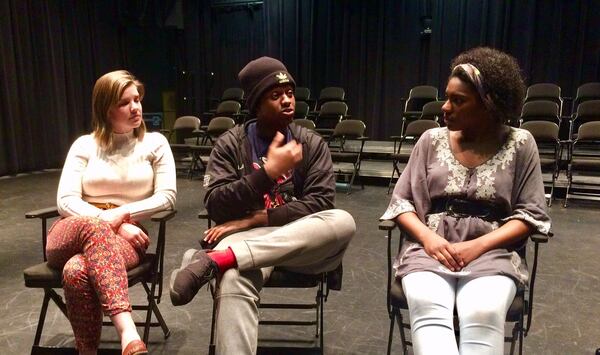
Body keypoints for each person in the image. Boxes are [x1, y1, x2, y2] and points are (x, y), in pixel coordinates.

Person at [170, 56, 356, 354]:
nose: (287, 101)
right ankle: (226, 262)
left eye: (290, 93)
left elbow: (321, 204)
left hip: (300, 244)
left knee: (343, 221)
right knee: (234, 278)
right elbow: (216, 204)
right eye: (275, 95)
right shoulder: (231, 144)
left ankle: (215, 260)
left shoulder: (311, 144)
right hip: (252, 247)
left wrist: (255, 219)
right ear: (256, 103)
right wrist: (266, 175)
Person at [381, 47, 551, 355]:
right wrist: (430, 240)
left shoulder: (521, 144)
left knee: (482, 312)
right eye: (447, 97)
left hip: (494, 251)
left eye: (458, 101)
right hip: (430, 249)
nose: (445, 107)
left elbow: (529, 215)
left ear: (489, 103)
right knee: (428, 309)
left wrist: (477, 246)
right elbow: (402, 204)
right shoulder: (430, 140)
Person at [46, 70, 176, 355]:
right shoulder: (84, 145)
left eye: (137, 99)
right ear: (105, 109)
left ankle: (87, 351)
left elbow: (167, 197)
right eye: (124, 102)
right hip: (71, 229)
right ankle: (128, 332)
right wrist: (114, 223)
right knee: (93, 228)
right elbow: (65, 200)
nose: (136, 107)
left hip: (125, 241)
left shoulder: (155, 144)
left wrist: (122, 215)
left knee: (76, 271)